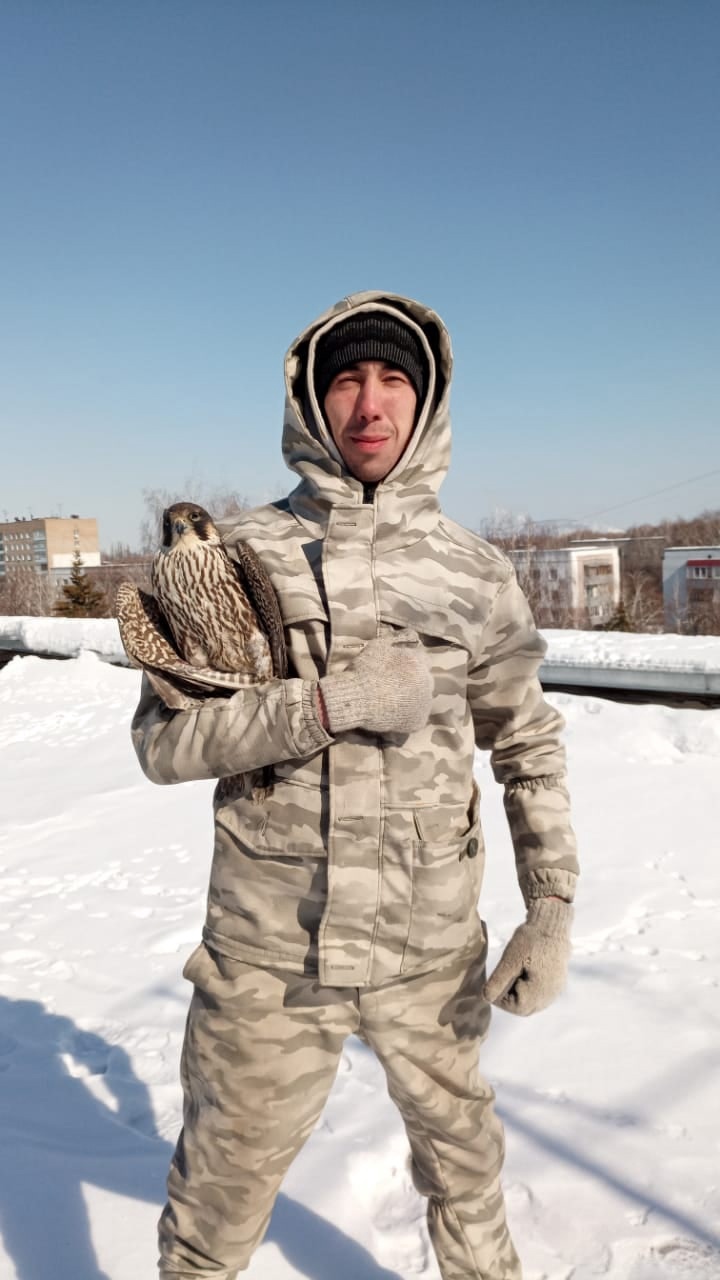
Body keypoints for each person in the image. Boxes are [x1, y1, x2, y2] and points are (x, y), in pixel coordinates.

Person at [131, 290, 579, 1280]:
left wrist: (549, 906)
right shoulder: (233, 559)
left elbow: (527, 744)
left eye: (392, 380)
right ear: (309, 400)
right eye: (345, 380)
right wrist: (327, 704)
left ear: (427, 401)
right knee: (211, 1218)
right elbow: (164, 743)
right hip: (269, 961)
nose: (370, 404)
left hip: (431, 953)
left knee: (469, 1180)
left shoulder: (476, 573)